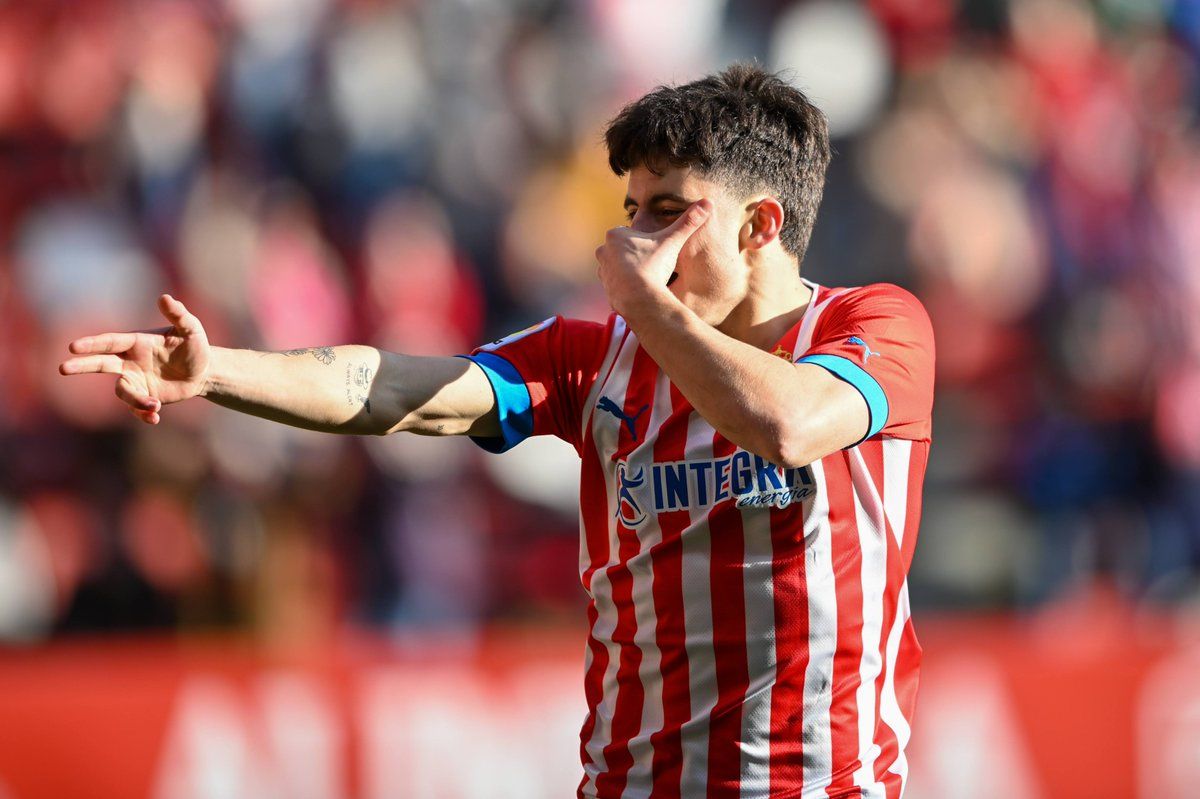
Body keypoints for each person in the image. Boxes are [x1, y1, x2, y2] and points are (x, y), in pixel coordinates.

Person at [61, 64, 934, 799]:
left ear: (761, 224)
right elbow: (397, 386)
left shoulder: (878, 329)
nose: (633, 240)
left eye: (668, 211)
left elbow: (786, 423)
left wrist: (645, 302)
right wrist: (217, 374)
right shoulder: (597, 362)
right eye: (631, 209)